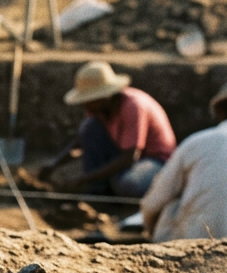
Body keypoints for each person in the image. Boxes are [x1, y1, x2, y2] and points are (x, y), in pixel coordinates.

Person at [39, 61, 176, 197]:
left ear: (105, 96)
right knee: (89, 127)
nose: (85, 105)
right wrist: (54, 164)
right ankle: (98, 189)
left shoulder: (133, 106)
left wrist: (85, 179)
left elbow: (131, 156)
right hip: (122, 153)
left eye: (89, 99)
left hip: (155, 160)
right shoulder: (99, 108)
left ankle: (107, 189)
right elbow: (81, 142)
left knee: (127, 184)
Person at [141, 83, 227, 242]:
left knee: (171, 204)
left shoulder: (198, 142)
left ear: (220, 111)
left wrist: (149, 230)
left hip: (193, 244)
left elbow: (153, 203)